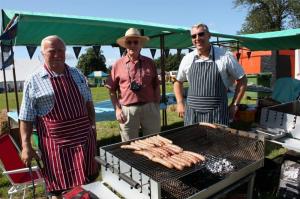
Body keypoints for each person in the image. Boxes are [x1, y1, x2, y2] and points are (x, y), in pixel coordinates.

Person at [19, 35, 98, 199]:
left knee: (89, 185)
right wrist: (26, 145)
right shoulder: (33, 81)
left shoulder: (77, 74)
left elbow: (88, 102)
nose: (57, 54)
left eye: (60, 50)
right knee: (60, 190)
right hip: (56, 146)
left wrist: (93, 126)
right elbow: (26, 117)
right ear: (42, 54)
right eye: (51, 51)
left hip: (84, 140)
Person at [174, 23, 247, 126]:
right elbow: (178, 82)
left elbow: (242, 80)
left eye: (201, 34)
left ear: (209, 35)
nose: (197, 38)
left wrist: (235, 104)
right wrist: (180, 102)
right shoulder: (187, 58)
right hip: (192, 115)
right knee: (192, 141)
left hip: (217, 114)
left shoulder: (225, 56)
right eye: (194, 36)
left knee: (218, 142)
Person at [106, 28, 161, 141]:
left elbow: (156, 85)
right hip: (127, 110)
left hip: (149, 107)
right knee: (129, 146)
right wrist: (117, 109)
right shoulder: (117, 64)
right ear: (125, 45)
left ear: (140, 44)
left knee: (155, 142)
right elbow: (111, 90)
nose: (132, 45)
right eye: (129, 42)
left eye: (135, 42)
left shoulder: (150, 62)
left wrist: (156, 105)